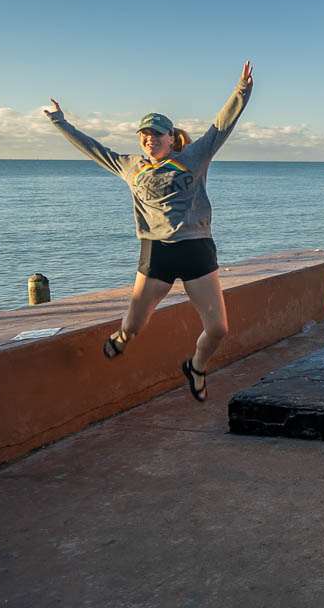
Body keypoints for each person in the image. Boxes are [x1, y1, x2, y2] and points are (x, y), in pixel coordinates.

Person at [44, 61, 255, 402]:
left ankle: (197, 367)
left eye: (157, 134)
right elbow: (92, 148)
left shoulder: (194, 157)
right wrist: (60, 121)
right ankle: (124, 338)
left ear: (172, 138)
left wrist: (242, 90)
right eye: (145, 134)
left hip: (196, 248)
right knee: (134, 326)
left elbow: (221, 127)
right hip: (157, 252)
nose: (150, 139)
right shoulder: (129, 166)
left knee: (218, 329)